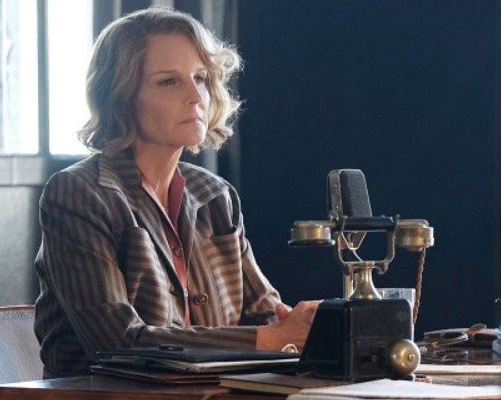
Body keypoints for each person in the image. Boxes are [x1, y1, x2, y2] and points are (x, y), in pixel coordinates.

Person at [34, 7, 319, 378]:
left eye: (201, 78)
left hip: (208, 398)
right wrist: (266, 340)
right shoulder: (78, 194)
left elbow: (266, 315)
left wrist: (303, 325)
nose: (196, 96)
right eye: (169, 81)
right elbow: (118, 344)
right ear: (120, 96)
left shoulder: (216, 195)